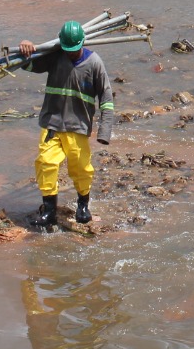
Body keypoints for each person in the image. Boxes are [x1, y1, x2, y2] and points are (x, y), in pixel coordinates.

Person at [7, 20, 115, 232]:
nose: (71, 54)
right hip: (52, 123)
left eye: (74, 51)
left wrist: (105, 130)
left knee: (81, 168)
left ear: (82, 44)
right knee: (46, 163)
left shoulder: (94, 63)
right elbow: (28, 64)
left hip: (78, 125)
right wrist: (25, 48)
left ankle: (83, 205)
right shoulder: (56, 56)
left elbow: (107, 97)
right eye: (68, 50)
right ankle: (49, 211)